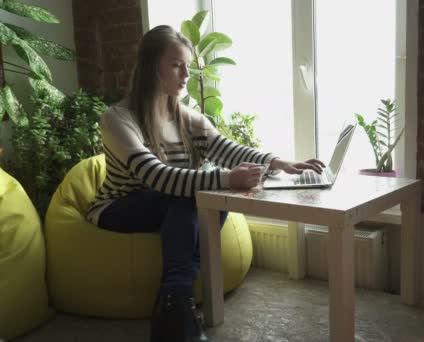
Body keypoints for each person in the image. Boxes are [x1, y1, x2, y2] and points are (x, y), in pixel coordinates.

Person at [86, 25, 324, 342]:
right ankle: (179, 310)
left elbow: (228, 149)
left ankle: (173, 306)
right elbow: (156, 176)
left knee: (205, 197)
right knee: (192, 196)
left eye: (187, 64)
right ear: (150, 66)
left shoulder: (189, 119)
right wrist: (227, 178)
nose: (186, 73)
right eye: (176, 65)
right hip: (120, 206)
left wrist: (277, 162)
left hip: (170, 207)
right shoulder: (117, 118)